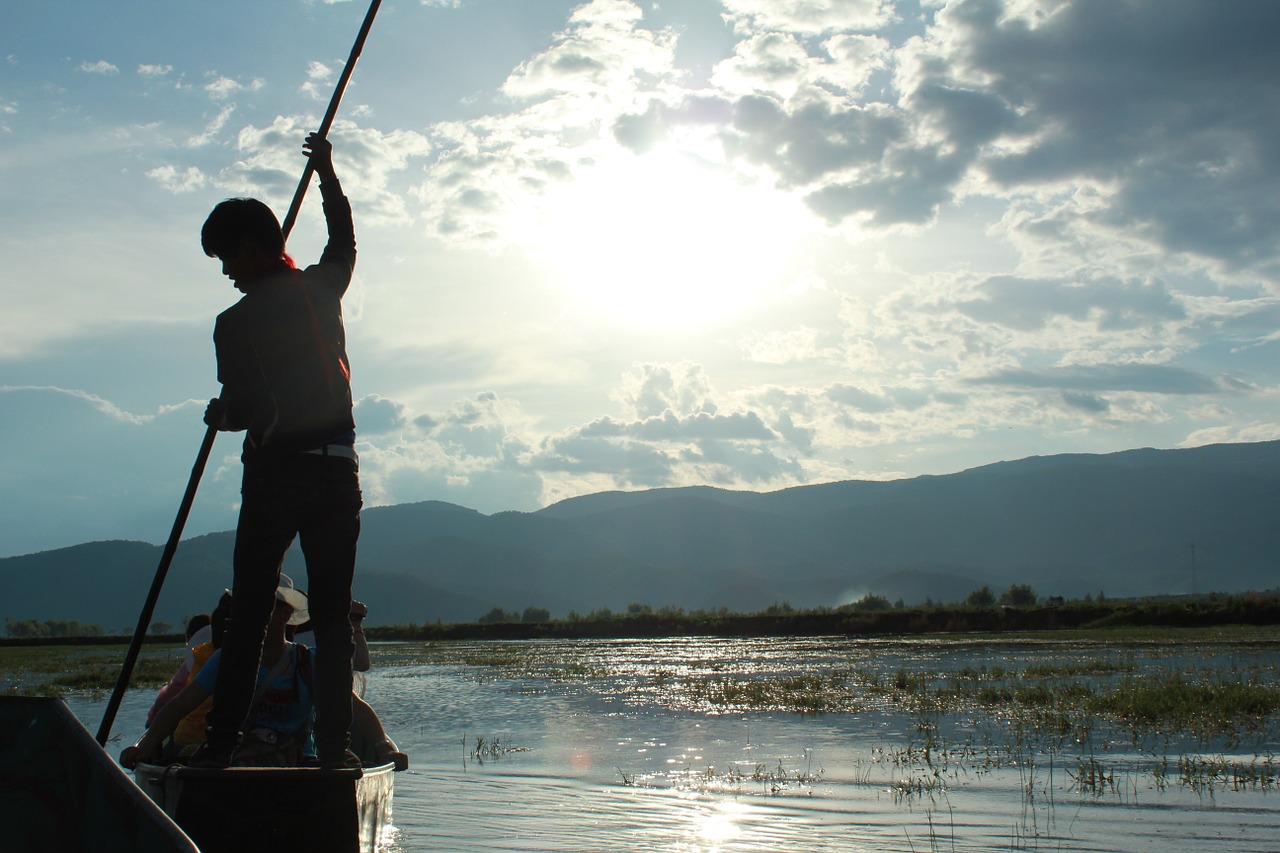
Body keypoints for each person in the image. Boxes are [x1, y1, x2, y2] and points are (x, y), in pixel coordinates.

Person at [194, 132, 363, 770]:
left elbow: (247, 410)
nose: (227, 272)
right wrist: (327, 174)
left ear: (248, 248)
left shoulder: (234, 323)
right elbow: (343, 243)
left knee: (250, 608)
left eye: (225, 259)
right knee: (330, 616)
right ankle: (336, 754)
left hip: (275, 477)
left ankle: (218, 749)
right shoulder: (322, 291)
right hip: (336, 477)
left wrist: (220, 414)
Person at [121, 578, 406, 770]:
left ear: (284, 614)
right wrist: (145, 745)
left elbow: (355, 707)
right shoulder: (227, 661)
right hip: (237, 762)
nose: (250, 614)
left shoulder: (308, 662)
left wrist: (382, 747)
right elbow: (181, 705)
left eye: (261, 607)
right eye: (248, 606)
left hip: (298, 764)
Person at [145, 613, 212, 727]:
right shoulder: (219, 660)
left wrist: (152, 720)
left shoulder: (188, 669)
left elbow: (166, 699)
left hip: (189, 730)